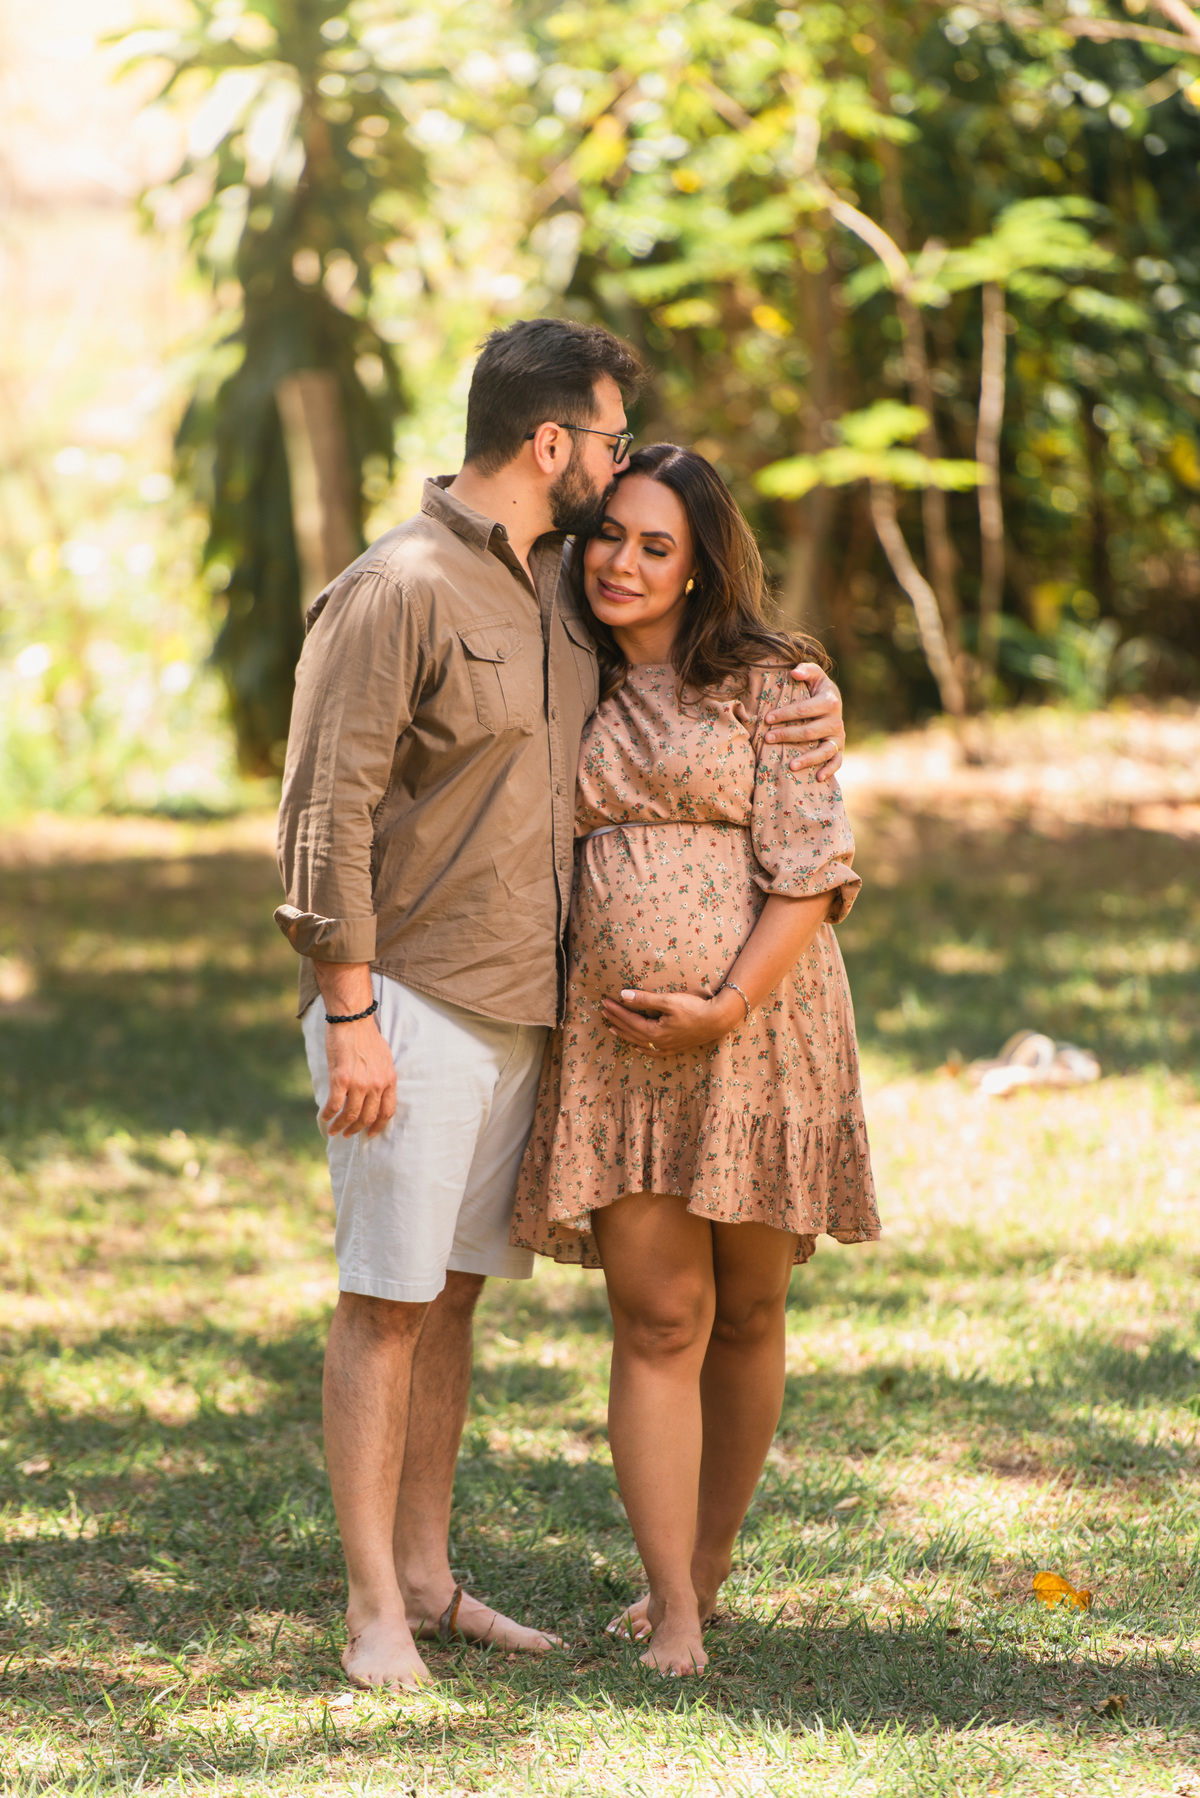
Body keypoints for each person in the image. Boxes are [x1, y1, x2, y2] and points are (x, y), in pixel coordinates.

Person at [274, 318, 848, 1692]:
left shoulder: (556, 591)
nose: (617, 494)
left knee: (451, 1297)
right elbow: (323, 809)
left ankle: (428, 1576)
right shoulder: (400, 586)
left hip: (534, 1012)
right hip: (412, 999)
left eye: (653, 532)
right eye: (606, 442)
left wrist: (815, 695)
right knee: (388, 1299)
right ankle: (375, 1612)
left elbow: (734, 705)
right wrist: (348, 1011)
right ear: (552, 444)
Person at [511, 443, 880, 1677]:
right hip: (619, 1048)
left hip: (761, 1031)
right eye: (609, 534)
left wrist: (725, 1004)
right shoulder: (562, 668)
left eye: (655, 545)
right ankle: (670, 1601)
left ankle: (712, 1562)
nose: (620, 561)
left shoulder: (774, 686)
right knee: (659, 1315)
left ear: (700, 566)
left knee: (753, 1306)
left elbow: (812, 874)